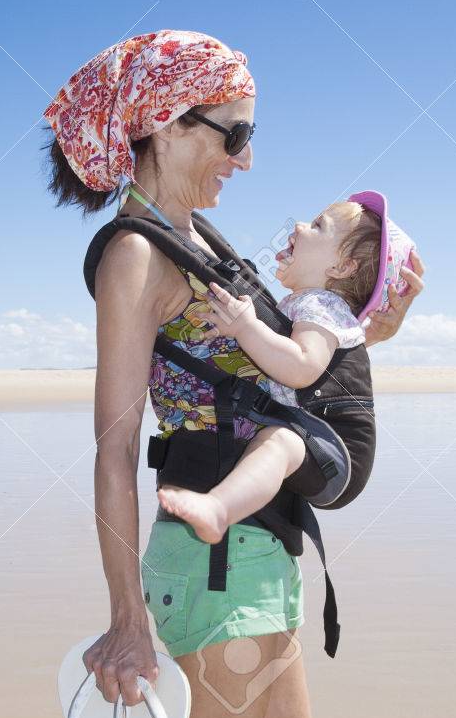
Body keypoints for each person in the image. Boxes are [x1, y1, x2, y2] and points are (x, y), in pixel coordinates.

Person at [44, 30, 425, 718]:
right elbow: (113, 445)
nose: (246, 160)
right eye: (234, 132)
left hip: (261, 545)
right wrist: (126, 617)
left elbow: (296, 356)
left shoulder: (197, 234)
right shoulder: (135, 253)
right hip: (212, 555)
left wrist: (376, 320)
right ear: (168, 124)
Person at [156, 196, 415, 543]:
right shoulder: (312, 306)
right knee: (276, 441)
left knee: (278, 442)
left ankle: (218, 509)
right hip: (319, 440)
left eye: (318, 226)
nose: (299, 226)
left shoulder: (322, 305)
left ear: (341, 267)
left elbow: (302, 368)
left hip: (339, 450)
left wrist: (245, 327)